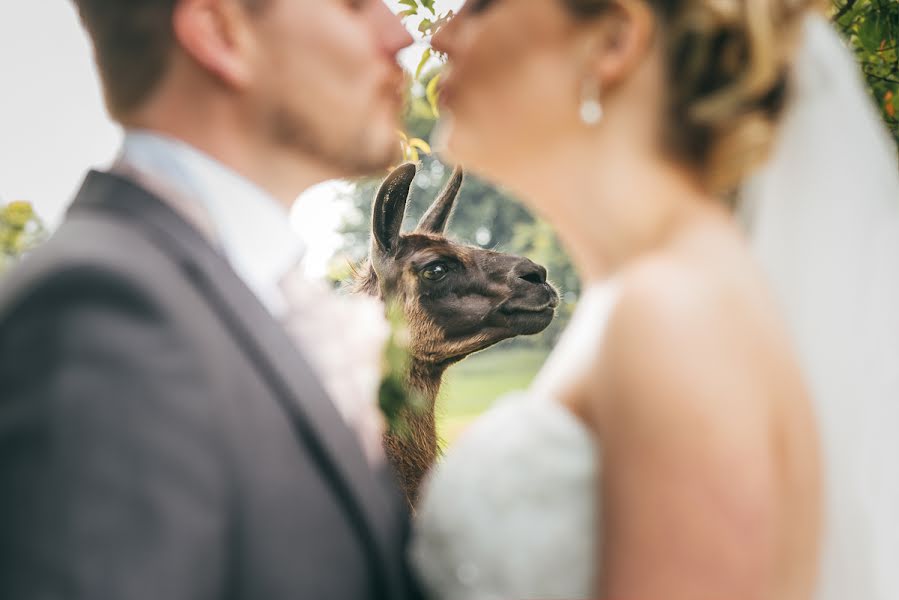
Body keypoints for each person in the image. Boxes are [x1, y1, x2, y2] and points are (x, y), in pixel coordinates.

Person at [411, 1, 899, 599]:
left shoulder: (674, 316)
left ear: (614, 41)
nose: (441, 36)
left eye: (482, 6)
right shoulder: (657, 296)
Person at [0, 1, 422, 599]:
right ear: (221, 33)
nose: (399, 33)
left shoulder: (237, 290)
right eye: (354, 5)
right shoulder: (103, 315)